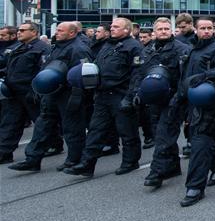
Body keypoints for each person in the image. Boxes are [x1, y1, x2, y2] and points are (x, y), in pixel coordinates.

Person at [64, 17, 145, 177]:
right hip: (102, 95)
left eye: (116, 27)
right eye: (112, 26)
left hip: (120, 95)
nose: (112, 29)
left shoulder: (133, 47)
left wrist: (130, 98)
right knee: (95, 131)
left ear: (127, 30)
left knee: (127, 131)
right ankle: (87, 164)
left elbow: (137, 74)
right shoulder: (107, 45)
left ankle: (130, 162)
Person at [8, 22, 93, 172]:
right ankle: (32, 159)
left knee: (72, 129)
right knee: (42, 126)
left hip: (69, 95)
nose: (57, 32)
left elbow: (84, 75)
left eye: (61, 30)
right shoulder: (56, 47)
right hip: (52, 94)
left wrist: (77, 97)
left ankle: (74, 159)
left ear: (72, 33)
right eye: (57, 30)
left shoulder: (79, 49)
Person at [176, 18, 215, 206]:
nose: (206, 31)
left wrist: (207, 75)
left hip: (213, 102)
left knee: (199, 141)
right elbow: (185, 76)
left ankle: (195, 187)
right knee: (202, 138)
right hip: (192, 101)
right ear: (196, 30)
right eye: (202, 28)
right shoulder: (191, 49)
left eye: (209, 28)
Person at [139, 18, 193, 188]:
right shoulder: (148, 50)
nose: (163, 31)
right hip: (154, 99)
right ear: (154, 31)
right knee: (159, 133)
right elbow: (140, 74)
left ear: (171, 30)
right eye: (160, 29)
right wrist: (137, 93)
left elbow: (186, 76)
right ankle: (173, 166)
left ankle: (156, 172)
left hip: (173, 99)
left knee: (164, 135)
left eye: (166, 28)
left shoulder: (182, 49)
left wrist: (179, 97)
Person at [0, 22, 51, 164]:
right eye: (19, 30)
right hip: (14, 92)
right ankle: (4, 153)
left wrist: (36, 90)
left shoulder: (42, 48)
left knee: (42, 122)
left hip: (31, 93)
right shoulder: (18, 47)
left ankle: (53, 144)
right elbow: (11, 68)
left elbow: (43, 71)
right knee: (10, 123)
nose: (19, 33)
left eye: (23, 30)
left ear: (34, 32)